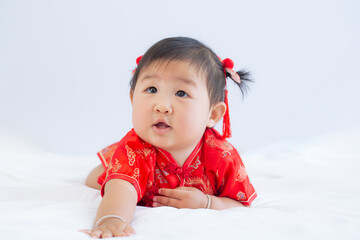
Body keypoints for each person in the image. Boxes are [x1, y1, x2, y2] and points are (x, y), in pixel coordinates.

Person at [81, 37, 257, 238]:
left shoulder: (222, 156)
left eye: (181, 93)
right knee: (97, 178)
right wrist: (112, 219)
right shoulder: (135, 150)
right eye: (152, 89)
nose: (162, 105)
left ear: (213, 115)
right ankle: (110, 160)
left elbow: (239, 203)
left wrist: (207, 203)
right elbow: (122, 190)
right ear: (133, 98)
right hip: (128, 165)